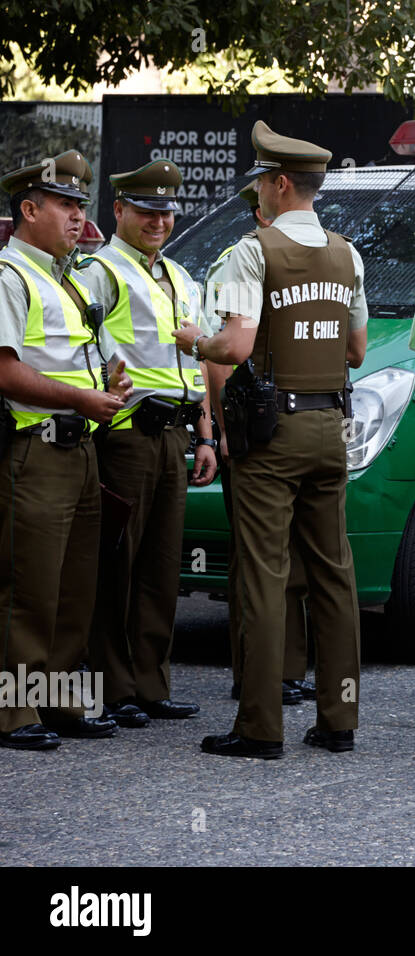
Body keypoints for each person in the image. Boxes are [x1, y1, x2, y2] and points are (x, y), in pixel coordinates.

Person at [174, 121, 367, 759]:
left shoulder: (250, 251)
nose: (257, 192)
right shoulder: (348, 254)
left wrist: (191, 342)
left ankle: (260, 727)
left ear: (281, 184)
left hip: (271, 431)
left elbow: (232, 344)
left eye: (261, 181)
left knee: (263, 573)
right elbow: (357, 349)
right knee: (334, 573)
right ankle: (339, 721)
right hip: (328, 426)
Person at [0, 150, 133, 749]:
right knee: (29, 586)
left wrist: (110, 385)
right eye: (65, 206)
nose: (78, 217)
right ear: (28, 210)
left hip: (80, 451)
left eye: (81, 205)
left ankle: (55, 699)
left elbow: (77, 357)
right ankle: (14, 710)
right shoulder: (9, 276)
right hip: (37, 451)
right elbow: (4, 372)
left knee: (76, 585)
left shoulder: (67, 277)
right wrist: (82, 401)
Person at [77, 159, 212, 729]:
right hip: (127, 435)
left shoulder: (181, 276)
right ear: (120, 212)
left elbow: (197, 360)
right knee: (119, 564)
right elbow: (75, 341)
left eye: (165, 211)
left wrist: (205, 434)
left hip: (175, 434)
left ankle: (152, 683)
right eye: (146, 212)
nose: (158, 221)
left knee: (161, 567)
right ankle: (114, 687)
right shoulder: (100, 271)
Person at [204, 183, 314, 708]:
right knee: (255, 564)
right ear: (261, 210)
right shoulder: (239, 260)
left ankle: (287, 670)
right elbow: (220, 355)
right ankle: (253, 674)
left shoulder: (304, 260)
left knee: (289, 561)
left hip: (288, 430)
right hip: (249, 429)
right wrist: (225, 432)